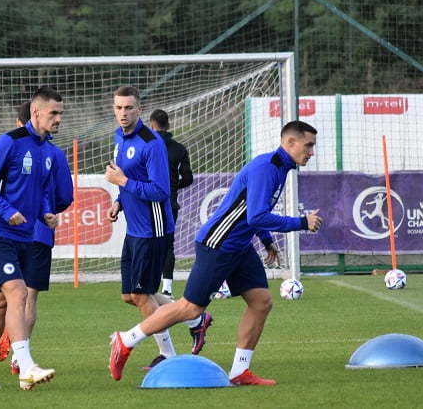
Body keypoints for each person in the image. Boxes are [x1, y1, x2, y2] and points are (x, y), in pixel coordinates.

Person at [109, 120, 322, 385]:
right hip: (218, 245)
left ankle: (240, 372)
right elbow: (257, 215)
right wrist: (301, 222)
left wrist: (267, 242)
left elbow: (252, 211)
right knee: (189, 308)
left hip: (239, 246)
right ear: (290, 142)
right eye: (309, 145)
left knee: (261, 302)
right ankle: (125, 341)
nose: (312, 151)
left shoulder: (279, 168)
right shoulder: (267, 167)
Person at [105, 86, 212, 372]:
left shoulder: (151, 143)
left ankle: (168, 356)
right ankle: (195, 319)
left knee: (142, 295)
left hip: (153, 229)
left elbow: (160, 190)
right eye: (118, 108)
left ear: (140, 109)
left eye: (128, 108)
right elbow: (128, 178)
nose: (123, 113)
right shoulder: (118, 136)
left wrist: (123, 183)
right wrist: (119, 201)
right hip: (134, 228)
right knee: (130, 295)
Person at [0, 86, 65, 391]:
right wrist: (6, 211)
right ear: (36, 113)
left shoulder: (48, 151)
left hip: (24, 235)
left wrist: (47, 213)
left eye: (61, 113)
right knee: (19, 294)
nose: (59, 118)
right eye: (53, 113)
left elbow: (45, 191)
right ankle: (26, 366)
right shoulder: (10, 141)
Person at [0, 99, 74, 376]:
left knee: (8, 298)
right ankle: (21, 355)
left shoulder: (18, 148)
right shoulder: (54, 153)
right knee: (28, 297)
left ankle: (14, 345)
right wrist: (50, 210)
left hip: (16, 229)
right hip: (39, 233)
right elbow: (66, 197)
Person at [148, 109, 193, 298]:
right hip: (169, 203)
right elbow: (188, 178)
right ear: (169, 125)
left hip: (147, 203)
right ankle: (167, 289)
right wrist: (173, 187)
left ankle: (147, 286)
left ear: (151, 126)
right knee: (168, 245)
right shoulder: (179, 149)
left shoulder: (146, 146)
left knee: (148, 244)